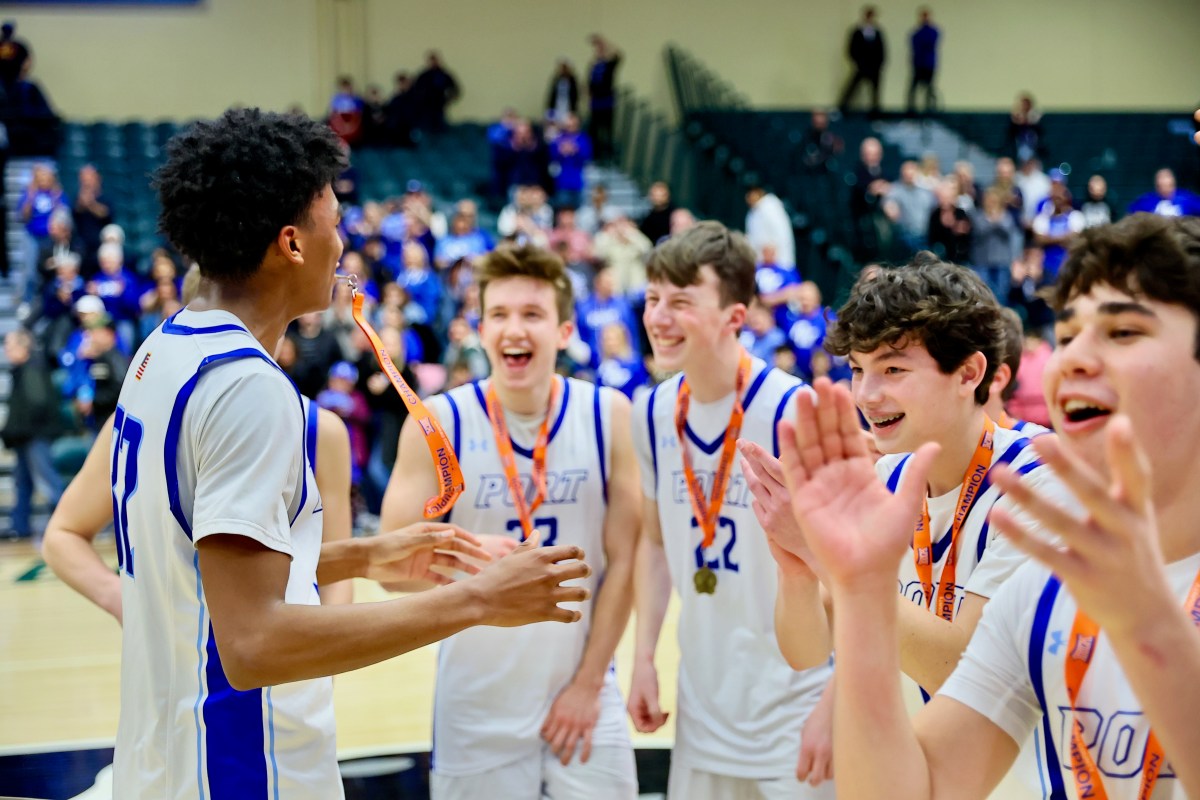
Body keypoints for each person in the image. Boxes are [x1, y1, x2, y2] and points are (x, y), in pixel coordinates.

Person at [106, 108, 593, 798]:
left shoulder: (163, 352)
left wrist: (364, 556)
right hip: (240, 767)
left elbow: (198, 572)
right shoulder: (248, 388)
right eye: (333, 220)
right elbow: (253, 646)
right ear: (292, 244)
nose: (345, 240)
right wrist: (478, 600)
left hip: (165, 756)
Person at [776, 212, 1200, 797]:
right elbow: (913, 790)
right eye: (1068, 334)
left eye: (1123, 332)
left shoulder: (1035, 493)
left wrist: (1155, 631)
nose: (1072, 358)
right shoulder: (1045, 592)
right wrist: (855, 586)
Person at [381, 244, 640, 799]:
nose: (513, 329)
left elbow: (626, 563)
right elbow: (388, 571)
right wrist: (472, 559)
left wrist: (589, 684)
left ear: (565, 330)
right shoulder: (438, 422)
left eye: (531, 314)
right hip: (475, 708)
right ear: (479, 327)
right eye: (498, 315)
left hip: (586, 691)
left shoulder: (609, 415)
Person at [630, 221, 833, 799]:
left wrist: (838, 700)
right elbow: (653, 542)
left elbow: (850, 570)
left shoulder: (796, 408)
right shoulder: (649, 412)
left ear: (734, 318)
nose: (658, 317)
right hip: (703, 707)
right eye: (652, 299)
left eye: (680, 302)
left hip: (798, 704)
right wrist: (643, 656)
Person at [0, 328, 64, 540]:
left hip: (35, 436)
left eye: (9, 346)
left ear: (23, 347)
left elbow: (38, 404)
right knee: (23, 483)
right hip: (26, 436)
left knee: (46, 481)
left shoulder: (32, 369)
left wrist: (18, 428)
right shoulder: (23, 369)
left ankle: (62, 525)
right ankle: (20, 528)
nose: (6, 351)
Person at [838, 6, 886, 116]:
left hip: (874, 67)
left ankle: (875, 112)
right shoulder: (857, 31)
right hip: (861, 65)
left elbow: (882, 50)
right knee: (852, 87)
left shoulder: (877, 32)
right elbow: (851, 49)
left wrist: (880, 64)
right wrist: (857, 62)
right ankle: (843, 108)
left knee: (875, 91)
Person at [586, 35, 621, 162]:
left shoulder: (609, 64)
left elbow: (618, 54)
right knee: (594, 131)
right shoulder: (594, 65)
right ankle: (596, 157)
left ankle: (608, 158)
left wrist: (604, 42)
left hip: (606, 102)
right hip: (595, 103)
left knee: (607, 131)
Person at [745, 185, 796, 269]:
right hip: (760, 263)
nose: (748, 197)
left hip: (778, 262)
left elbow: (781, 233)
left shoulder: (770, 206)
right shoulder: (752, 213)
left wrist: (772, 249)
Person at [1128, 168, 1200, 217]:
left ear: (1173, 184)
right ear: (1156, 186)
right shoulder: (1145, 202)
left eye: (1168, 185)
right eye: (1161, 186)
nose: (1165, 189)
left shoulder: (1187, 199)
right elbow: (1131, 216)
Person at [906, 7, 939, 115]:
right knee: (913, 88)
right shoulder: (916, 32)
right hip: (918, 64)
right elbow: (914, 44)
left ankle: (930, 108)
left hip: (929, 64)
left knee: (929, 88)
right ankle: (911, 109)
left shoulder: (933, 31)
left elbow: (930, 43)